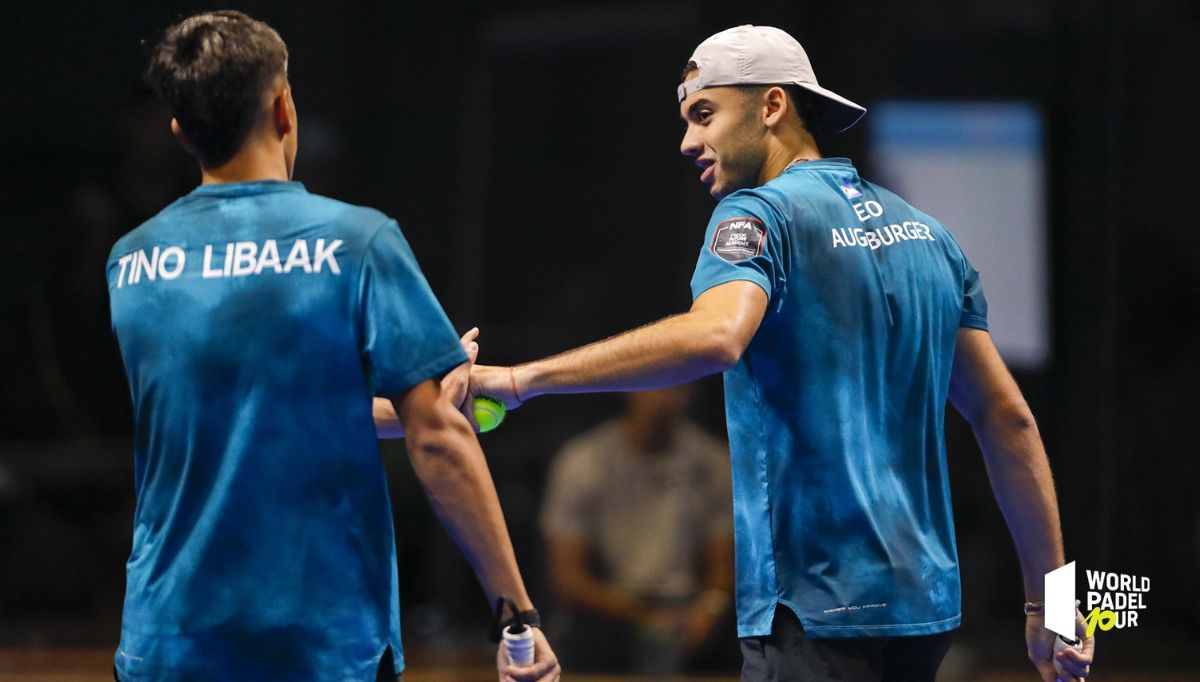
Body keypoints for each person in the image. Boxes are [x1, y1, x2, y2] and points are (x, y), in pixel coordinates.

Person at [470, 24, 1094, 682]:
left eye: (703, 114)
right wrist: (1051, 603)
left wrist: (519, 379)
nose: (688, 141)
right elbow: (1009, 420)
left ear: (772, 106)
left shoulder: (756, 216)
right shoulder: (932, 236)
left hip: (813, 613)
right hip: (923, 615)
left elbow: (714, 335)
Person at [108, 11, 557, 682]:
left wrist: (411, 407)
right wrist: (515, 614)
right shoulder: (358, 243)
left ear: (181, 131)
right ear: (284, 107)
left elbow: (249, 411)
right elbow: (438, 442)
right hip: (320, 647)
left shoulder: (131, 263)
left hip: (167, 644)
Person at [540, 386, 735, 674]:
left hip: (690, 604)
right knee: (589, 638)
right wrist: (645, 616)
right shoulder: (581, 461)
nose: (664, 398)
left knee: (739, 634)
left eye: (676, 386)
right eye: (654, 385)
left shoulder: (715, 461)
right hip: (613, 607)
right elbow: (568, 579)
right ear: (629, 389)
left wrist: (708, 609)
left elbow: (724, 565)